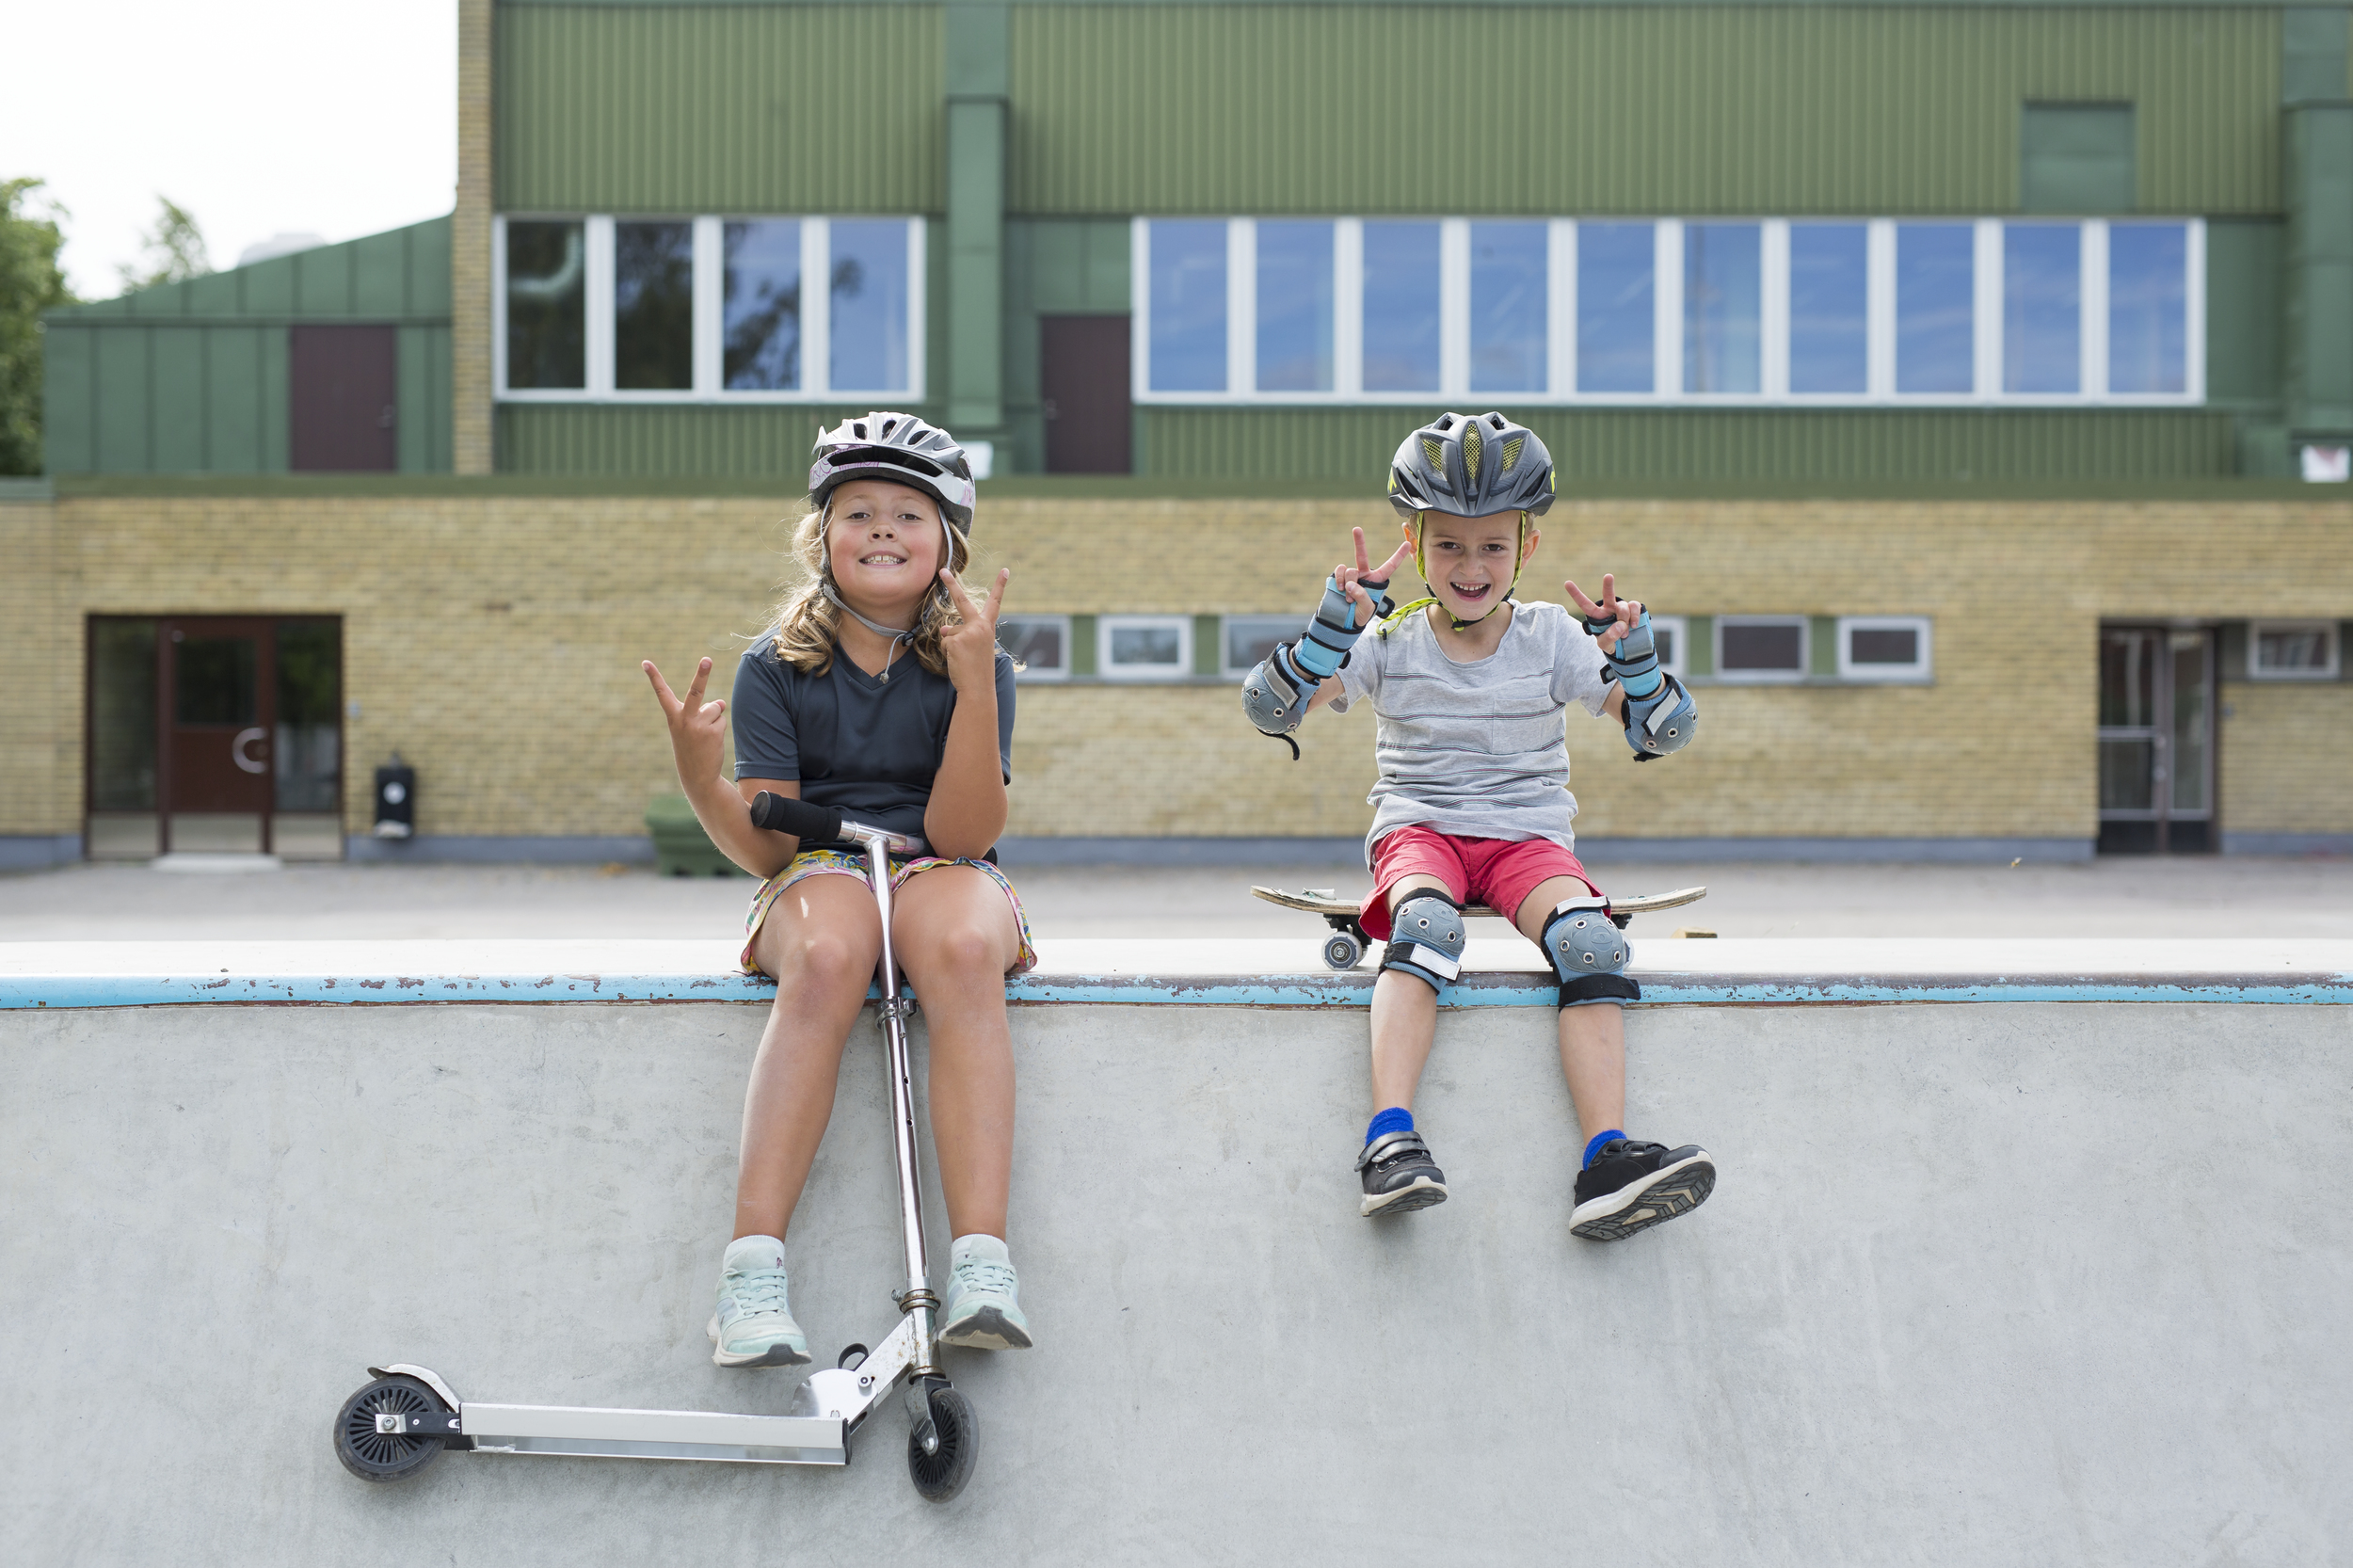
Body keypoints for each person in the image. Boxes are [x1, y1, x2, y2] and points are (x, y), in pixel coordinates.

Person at [1241, 411, 1715, 1241]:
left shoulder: (1554, 638)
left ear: (1525, 549)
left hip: (1527, 839)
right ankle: (1389, 1141)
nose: (1471, 566)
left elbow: (1660, 732)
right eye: (1450, 545)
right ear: (1415, 544)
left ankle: (1607, 1163)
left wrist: (1636, 661)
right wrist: (1327, 635)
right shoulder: (1385, 640)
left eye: (1492, 545)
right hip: (1419, 829)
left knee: (1590, 943)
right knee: (1424, 928)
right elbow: (1269, 708)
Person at [644, 411, 1035, 1367]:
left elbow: (964, 834)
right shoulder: (773, 667)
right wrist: (702, 774)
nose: (883, 528)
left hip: (937, 858)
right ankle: (750, 1273)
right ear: (822, 537)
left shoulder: (978, 663)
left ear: (948, 544)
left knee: (964, 946)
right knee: (827, 952)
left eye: (908, 511)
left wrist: (975, 682)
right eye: (857, 511)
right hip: (819, 862)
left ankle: (982, 1262)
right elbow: (767, 844)